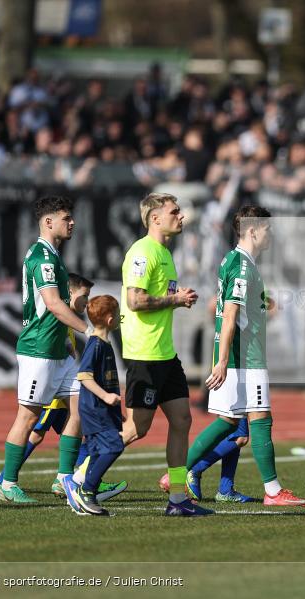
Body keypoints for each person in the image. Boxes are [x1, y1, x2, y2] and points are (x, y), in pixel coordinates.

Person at [191, 205, 305, 507]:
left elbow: (240, 309)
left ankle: (191, 476)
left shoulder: (236, 261)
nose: (271, 234)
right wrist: (220, 361)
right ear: (253, 230)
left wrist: (263, 303)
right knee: (253, 422)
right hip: (243, 357)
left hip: (240, 354)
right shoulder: (243, 265)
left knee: (231, 424)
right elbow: (230, 314)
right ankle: (271, 491)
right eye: (267, 228)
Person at [0, 197, 90, 504]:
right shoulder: (43, 258)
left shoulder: (54, 256)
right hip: (39, 350)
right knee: (28, 417)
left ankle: (64, 478)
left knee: (80, 405)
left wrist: (70, 341)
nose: (71, 223)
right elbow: (55, 305)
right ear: (48, 222)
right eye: (66, 218)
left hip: (57, 350)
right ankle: (6, 483)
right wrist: (90, 331)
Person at [0, 274, 125, 500]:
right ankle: (5, 480)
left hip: (61, 372)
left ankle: (66, 478)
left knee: (78, 417)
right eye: (84, 296)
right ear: (70, 294)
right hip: (46, 371)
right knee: (33, 427)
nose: (87, 301)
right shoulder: (58, 309)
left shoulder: (68, 317)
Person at [118, 192, 208, 517]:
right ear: (155, 218)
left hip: (165, 354)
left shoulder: (166, 253)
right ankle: (83, 474)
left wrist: (178, 298)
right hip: (146, 354)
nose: (181, 216)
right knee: (136, 429)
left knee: (182, 419)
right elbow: (135, 301)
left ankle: (179, 499)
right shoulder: (143, 251)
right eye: (175, 211)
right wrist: (176, 300)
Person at [62, 295, 125, 516]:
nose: (120, 318)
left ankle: (84, 490)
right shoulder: (96, 345)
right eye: (118, 314)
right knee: (115, 446)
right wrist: (106, 398)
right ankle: (86, 490)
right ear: (110, 320)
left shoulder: (105, 343)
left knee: (99, 450)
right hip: (94, 408)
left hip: (102, 410)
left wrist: (115, 409)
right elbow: (84, 376)